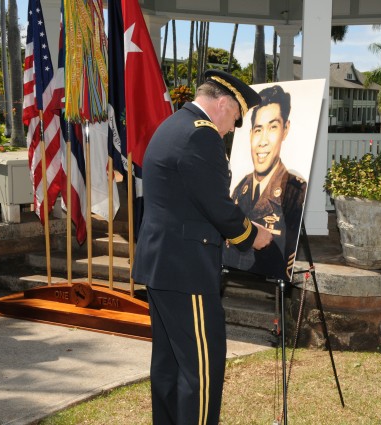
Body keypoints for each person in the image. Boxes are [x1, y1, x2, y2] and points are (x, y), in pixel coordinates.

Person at [131, 69, 273, 425]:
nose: (231, 130)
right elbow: (217, 206)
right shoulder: (202, 136)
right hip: (186, 270)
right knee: (202, 369)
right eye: (235, 119)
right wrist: (252, 235)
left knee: (168, 364)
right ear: (223, 103)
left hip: (162, 264)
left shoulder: (173, 125)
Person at [223, 85, 307, 281]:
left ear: (285, 130)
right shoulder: (240, 188)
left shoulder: (295, 191)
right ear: (251, 134)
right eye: (258, 129)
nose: (263, 141)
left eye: (273, 127)